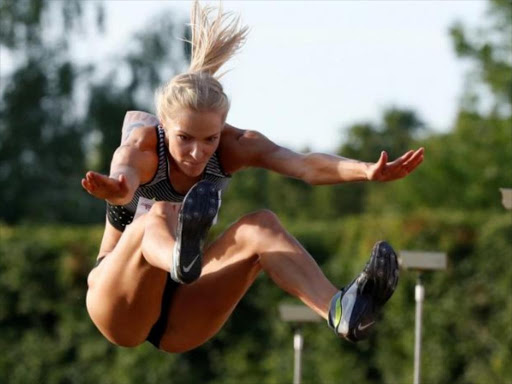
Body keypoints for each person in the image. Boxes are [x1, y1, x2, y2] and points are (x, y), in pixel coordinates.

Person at [82, 1, 424, 353]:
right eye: (185, 139)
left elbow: (304, 165)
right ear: (164, 125)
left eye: (209, 139)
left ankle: (341, 310)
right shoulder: (143, 146)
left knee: (261, 225)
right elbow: (124, 178)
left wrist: (365, 170)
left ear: (222, 129)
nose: (198, 153)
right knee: (157, 216)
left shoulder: (235, 146)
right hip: (118, 305)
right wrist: (119, 189)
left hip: (182, 315)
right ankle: (177, 258)